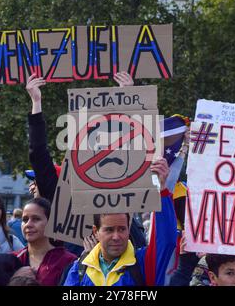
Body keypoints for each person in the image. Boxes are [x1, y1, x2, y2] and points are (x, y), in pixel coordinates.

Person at [25, 71, 146, 256]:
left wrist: (125, 98)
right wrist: (36, 103)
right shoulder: (59, 192)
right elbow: (38, 154)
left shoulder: (119, 190)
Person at [63, 157, 179, 286]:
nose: (116, 237)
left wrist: (162, 189)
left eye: (122, 229)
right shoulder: (79, 269)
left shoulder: (142, 263)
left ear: (129, 229)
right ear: (96, 231)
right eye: (109, 230)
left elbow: (166, 240)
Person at [13, 197, 77, 286]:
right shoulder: (12, 259)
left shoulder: (69, 261)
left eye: (36, 219)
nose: (28, 224)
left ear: (50, 223)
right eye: (25, 219)